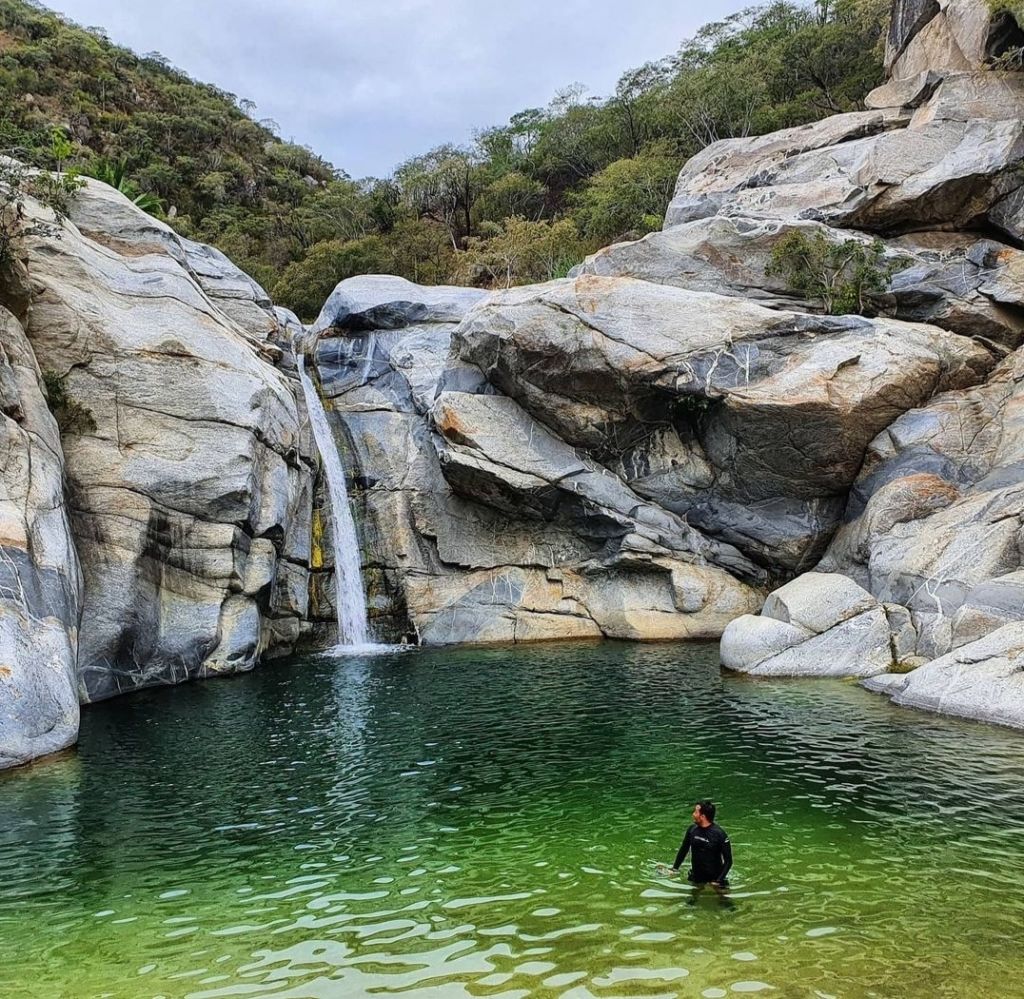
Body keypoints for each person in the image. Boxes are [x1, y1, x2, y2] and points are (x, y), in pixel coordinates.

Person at [668, 799, 732, 887]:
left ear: (702, 816)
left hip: (715, 878)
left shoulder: (720, 834)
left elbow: (728, 861)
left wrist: (718, 881)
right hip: (696, 877)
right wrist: (674, 869)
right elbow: (683, 850)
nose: (693, 814)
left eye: (695, 812)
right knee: (691, 900)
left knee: (725, 901)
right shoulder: (692, 830)